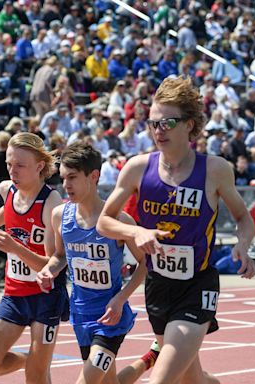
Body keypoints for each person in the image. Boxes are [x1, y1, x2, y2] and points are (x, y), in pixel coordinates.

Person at [96, 76, 255, 384]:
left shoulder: (215, 170)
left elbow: (243, 218)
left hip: (198, 285)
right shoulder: (137, 168)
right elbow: (104, 221)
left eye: (168, 122)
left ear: (190, 125)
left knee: (163, 379)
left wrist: (243, 245)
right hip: (158, 285)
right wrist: (135, 233)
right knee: (191, 379)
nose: (159, 130)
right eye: (153, 123)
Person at [36, 142, 150, 384]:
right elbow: (59, 256)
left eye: (73, 178)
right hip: (81, 315)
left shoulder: (117, 220)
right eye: (63, 177)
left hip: (111, 319)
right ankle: (150, 358)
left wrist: (121, 298)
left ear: (94, 176)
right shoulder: (60, 216)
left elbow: (145, 263)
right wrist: (48, 271)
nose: (66, 185)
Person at [0, 132, 68, 383]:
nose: (12, 171)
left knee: (37, 378)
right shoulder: (6, 189)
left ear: (40, 166)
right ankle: (28, 361)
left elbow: (52, 264)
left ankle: (36, 366)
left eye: (20, 165)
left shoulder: (51, 203)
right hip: (14, 294)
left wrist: (15, 247)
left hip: (45, 297)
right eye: (9, 164)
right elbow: (6, 209)